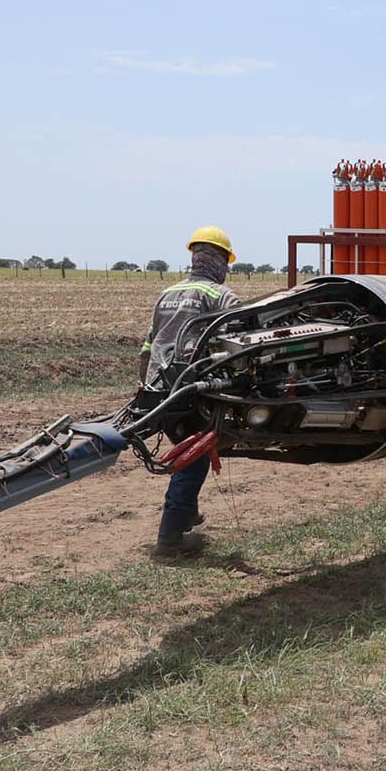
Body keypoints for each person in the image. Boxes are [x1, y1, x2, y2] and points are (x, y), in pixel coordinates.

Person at [138, 225, 242, 557]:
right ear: (221, 262)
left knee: (187, 449)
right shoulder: (222, 297)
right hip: (193, 388)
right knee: (194, 456)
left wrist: (145, 389)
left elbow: (147, 348)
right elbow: (238, 347)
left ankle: (187, 515)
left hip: (159, 389)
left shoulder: (165, 294)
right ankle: (169, 538)